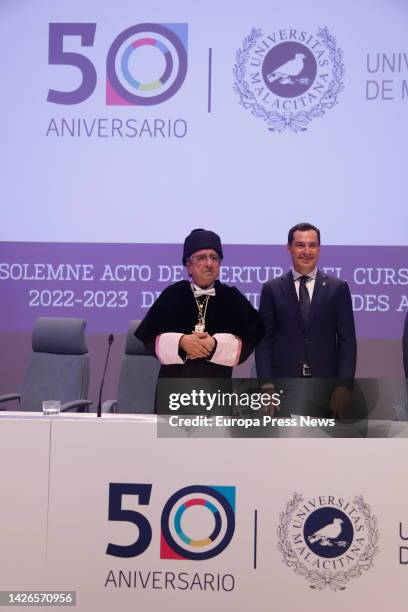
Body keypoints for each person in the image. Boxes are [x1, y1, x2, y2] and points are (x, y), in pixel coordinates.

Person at [255, 222, 357, 417]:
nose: (307, 251)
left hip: (327, 390)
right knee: (283, 447)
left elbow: (347, 342)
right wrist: (266, 383)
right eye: (300, 245)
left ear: (319, 248)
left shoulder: (338, 288)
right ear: (289, 248)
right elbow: (264, 341)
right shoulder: (272, 289)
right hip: (282, 389)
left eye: (313, 245)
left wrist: (344, 385)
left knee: (324, 447)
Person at [136, 229, 263, 383]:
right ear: (189, 266)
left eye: (214, 258)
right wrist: (181, 342)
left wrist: (216, 345)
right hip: (173, 389)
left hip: (216, 390)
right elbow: (148, 336)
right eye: (202, 258)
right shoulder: (173, 294)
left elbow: (253, 336)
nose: (209, 264)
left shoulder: (232, 298)